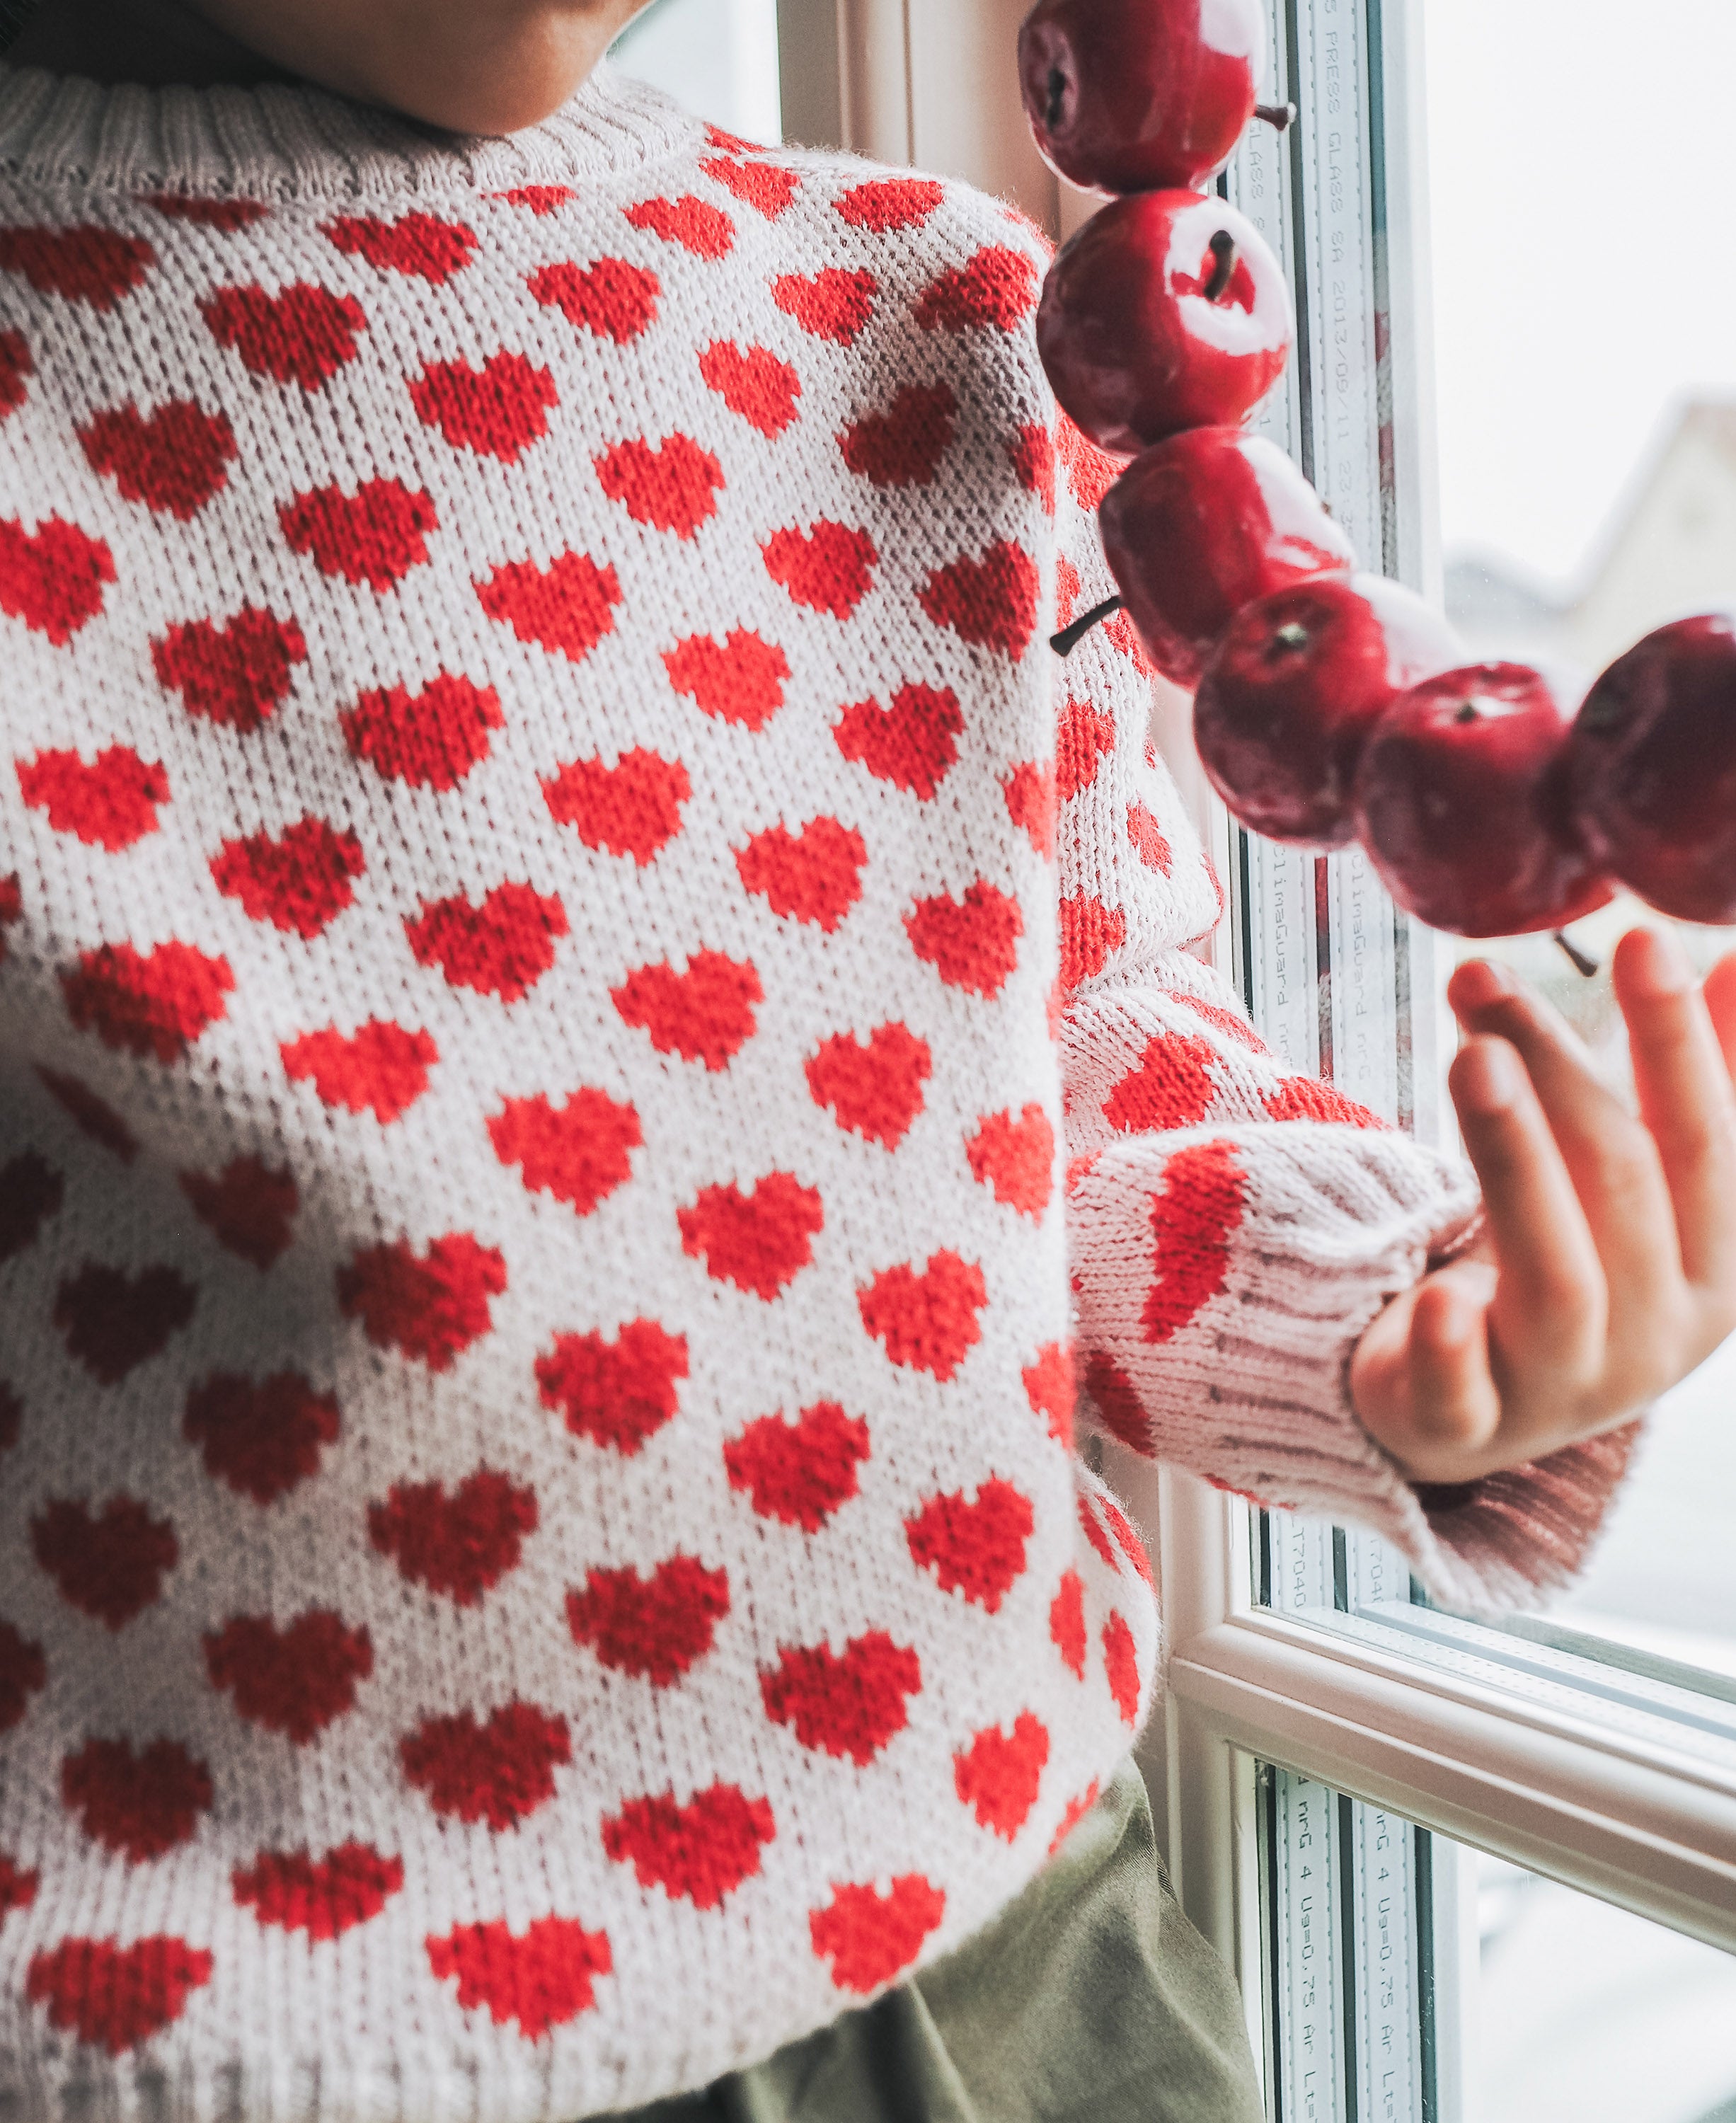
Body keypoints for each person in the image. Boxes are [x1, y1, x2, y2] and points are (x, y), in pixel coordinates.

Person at [1, 2, 1732, 2117]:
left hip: (998, 1974)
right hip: (172, 2036)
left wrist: (1392, 1327)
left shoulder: (924, 315)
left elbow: (1086, 1053)